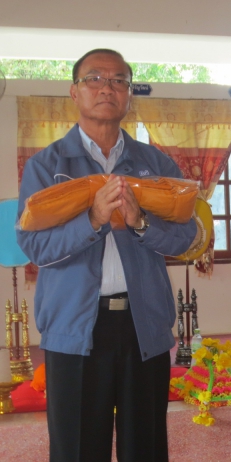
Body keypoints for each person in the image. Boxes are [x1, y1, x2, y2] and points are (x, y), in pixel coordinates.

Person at [16, 48, 197, 462]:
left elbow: (185, 238)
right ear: (74, 92)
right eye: (94, 79)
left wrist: (139, 223)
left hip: (142, 326)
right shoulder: (47, 166)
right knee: (78, 449)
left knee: (146, 447)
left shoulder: (154, 163)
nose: (106, 88)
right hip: (75, 329)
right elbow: (36, 247)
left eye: (118, 81)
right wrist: (94, 219)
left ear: (129, 94)